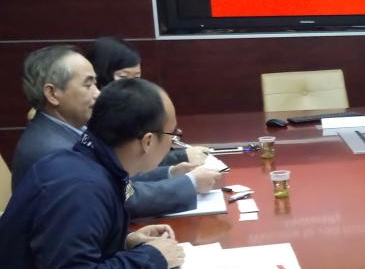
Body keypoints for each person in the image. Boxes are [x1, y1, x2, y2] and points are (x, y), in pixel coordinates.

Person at [0, 78, 187, 269]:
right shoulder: (80, 187)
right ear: (148, 141)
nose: (173, 142)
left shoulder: (86, 164)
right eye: (172, 135)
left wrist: (125, 241)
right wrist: (152, 258)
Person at [12, 45, 221, 217]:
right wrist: (190, 184)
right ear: (53, 94)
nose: (98, 94)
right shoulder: (52, 151)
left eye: (96, 83)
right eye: (88, 85)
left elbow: (118, 178)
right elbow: (123, 197)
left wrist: (171, 173)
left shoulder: (71, 130)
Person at [86, 36, 211, 167]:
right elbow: (128, 167)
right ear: (100, 75)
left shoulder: (135, 103)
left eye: (136, 77)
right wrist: (181, 157)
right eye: (123, 77)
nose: (132, 85)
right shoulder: (96, 116)